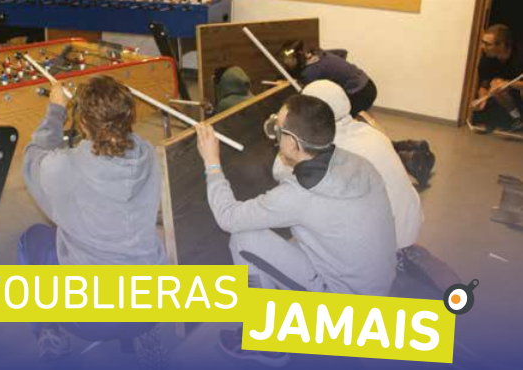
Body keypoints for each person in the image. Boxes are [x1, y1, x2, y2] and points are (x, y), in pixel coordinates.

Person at [196, 95, 397, 366]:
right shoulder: (356, 163)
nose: (274, 134)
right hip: (377, 287)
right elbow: (292, 177)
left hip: (348, 310)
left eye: (278, 129)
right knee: (293, 238)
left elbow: (228, 217)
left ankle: (266, 342)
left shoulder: (299, 196)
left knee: (244, 239)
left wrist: (212, 163)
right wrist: (287, 154)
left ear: (293, 142)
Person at [21, 76, 167, 363]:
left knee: (32, 238)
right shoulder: (148, 154)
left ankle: (50, 332)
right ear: (129, 118)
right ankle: (138, 331)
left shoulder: (64, 167)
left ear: (84, 124)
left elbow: (32, 159)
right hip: (155, 305)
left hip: (90, 320)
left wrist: (55, 111)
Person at [273, 80, 423, 251]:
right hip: (407, 232)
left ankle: (235, 277)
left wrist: (285, 142)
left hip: (370, 254)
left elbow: (280, 173)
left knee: (251, 246)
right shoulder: (371, 133)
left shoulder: (322, 152)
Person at [280, 40, 377, 116]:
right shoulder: (319, 53)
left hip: (361, 93)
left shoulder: (311, 72)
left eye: (291, 60)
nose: (288, 64)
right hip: (367, 83)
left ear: (300, 58)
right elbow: (343, 52)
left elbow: (306, 94)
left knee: (338, 118)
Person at [472, 24, 523, 132]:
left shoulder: (520, 55)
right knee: (495, 84)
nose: (482, 46)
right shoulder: (486, 60)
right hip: (508, 95)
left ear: (502, 45)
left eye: (487, 44)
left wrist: (507, 83)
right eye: (483, 42)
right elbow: (484, 86)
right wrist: (482, 101)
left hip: (519, 88)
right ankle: (517, 119)